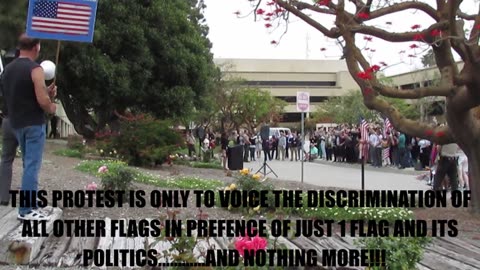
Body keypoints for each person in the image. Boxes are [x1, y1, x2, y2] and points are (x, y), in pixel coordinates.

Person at [1, 34, 57, 220]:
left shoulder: (8, 69)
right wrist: (51, 106)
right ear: (37, 47)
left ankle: (31, 204)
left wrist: (46, 92)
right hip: (33, 123)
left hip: (16, 122)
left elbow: (20, 93)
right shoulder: (36, 69)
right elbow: (42, 100)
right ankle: (27, 210)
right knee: (32, 165)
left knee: (28, 164)